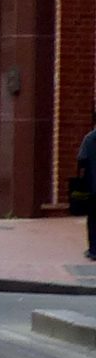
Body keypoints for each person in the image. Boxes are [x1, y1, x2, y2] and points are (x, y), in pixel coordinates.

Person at [79, 110, 96, 262]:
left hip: (93, 187)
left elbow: (81, 160)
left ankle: (93, 250)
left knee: (93, 220)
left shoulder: (89, 139)